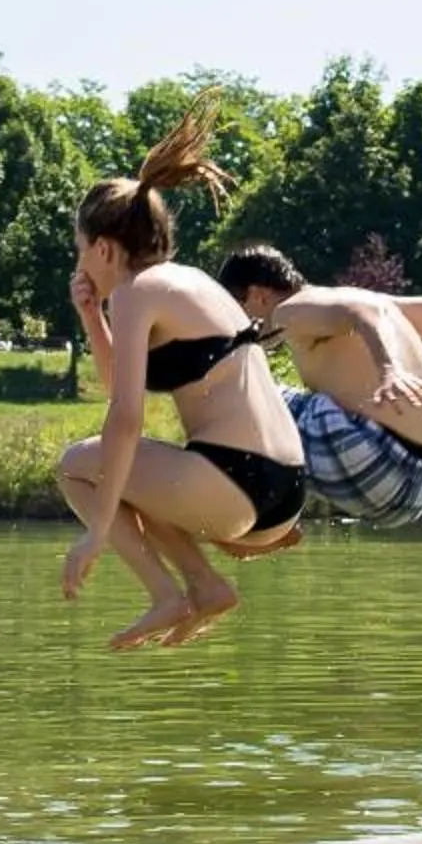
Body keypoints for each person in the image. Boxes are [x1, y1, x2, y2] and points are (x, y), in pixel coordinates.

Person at [60, 107, 307, 649]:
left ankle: (170, 593)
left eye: (81, 251)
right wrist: (90, 317)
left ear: (103, 248)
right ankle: (203, 585)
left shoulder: (136, 292)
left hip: (234, 480)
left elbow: (125, 419)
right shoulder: (186, 284)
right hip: (283, 490)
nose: (81, 266)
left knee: (77, 468)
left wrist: (96, 533)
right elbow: (118, 383)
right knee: (119, 466)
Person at [213, 244, 422, 543]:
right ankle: (276, 519)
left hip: (378, 463)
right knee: (285, 413)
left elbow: (359, 312)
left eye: (234, 312)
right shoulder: (371, 302)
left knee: (238, 390)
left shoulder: (289, 310)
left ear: (258, 294)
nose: (236, 328)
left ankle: (253, 520)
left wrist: (388, 368)